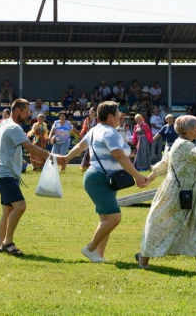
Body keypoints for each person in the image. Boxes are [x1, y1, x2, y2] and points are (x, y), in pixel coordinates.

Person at [0, 99, 66, 256]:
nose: (28, 115)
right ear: (17, 111)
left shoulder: (4, 123)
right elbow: (30, 147)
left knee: (7, 211)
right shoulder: (14, 127)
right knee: (20, 206)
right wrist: (53, 157)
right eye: (26, 112)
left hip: (4, 173)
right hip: (6, 174)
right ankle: (7, 243)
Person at [63, 101, 148, 262]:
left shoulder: (95, 130)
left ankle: (98, 255)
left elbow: (81, 146)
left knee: (106, 220)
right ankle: (90, 249)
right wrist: (137, 176)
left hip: (100, 178)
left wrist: (67, 158)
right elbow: (120, 156)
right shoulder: (110, 133)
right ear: (110, 116)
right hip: (100, 179)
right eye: (118, 114)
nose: (120, 117)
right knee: (114, 218)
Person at [137, 115, 196, 273]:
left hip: (187, 193)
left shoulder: (181, 144)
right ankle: (143, 258)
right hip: (177, 194)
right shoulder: (185, 146)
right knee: (162, 224)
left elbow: (165, 163)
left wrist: (149, 178)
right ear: (187, 130)